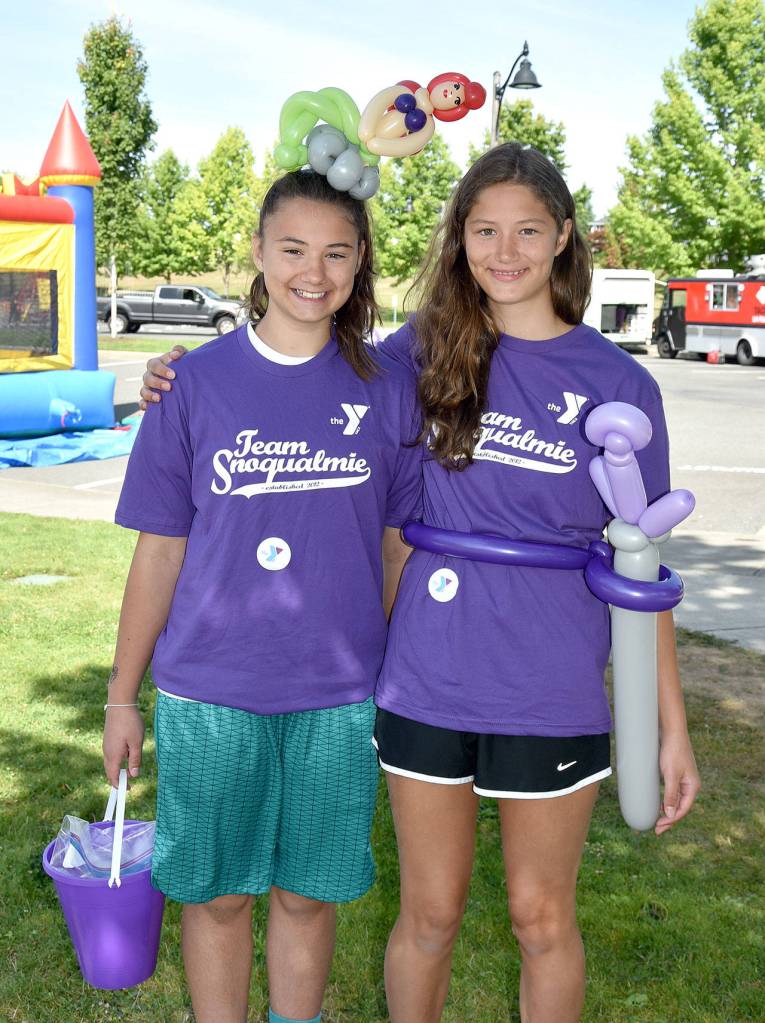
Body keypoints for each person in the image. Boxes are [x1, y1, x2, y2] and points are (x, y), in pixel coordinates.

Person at [142, 143, 700, 1023]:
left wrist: (669, 726)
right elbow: (299, 365)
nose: (503, 250)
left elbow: (642, 563)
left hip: (549, 679)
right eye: (483, 229)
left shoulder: (617, 384)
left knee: (540, 915)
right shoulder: (416, 356)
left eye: (525, 229)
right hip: (424, 674)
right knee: (430, 913)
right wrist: (172, 377)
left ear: (562, 236)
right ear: (459, 240)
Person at [104, 169, 421, 1023]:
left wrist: (387, 674)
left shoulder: (386, 388)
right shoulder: (193, 384)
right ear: (257, 251)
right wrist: (122, 697)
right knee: (214, 897)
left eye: (335, 254)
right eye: (291, 249)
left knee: (306, 895)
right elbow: (160, 551)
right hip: (211, 691)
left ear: (359, 267)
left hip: (338, 695)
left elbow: (396, 548)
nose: (311, 272)